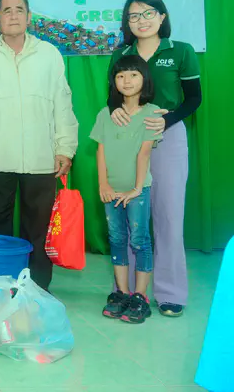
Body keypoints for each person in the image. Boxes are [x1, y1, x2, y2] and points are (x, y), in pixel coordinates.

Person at [0, 0, 78, 290]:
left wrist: (65, 148)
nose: (13, 15)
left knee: (38, 230)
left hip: (42, 159)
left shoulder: (49, 54)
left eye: (19, 9)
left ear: (29, 16)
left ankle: (36, 290)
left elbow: (62, 104)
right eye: (7, 10)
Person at [109, 0, 202, 318]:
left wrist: (166, 120)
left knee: (168, 216)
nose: (142, 20)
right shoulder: (122, 53)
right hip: (128, 143)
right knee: (133, 218)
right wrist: (115, 113)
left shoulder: (181, 51)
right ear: (127, 23)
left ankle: (171, 293)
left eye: (149, 13)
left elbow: (193, 99)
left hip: (167, 139)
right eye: (134, 16)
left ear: (162, 17)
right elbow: (113, 96)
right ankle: (136, 292)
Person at [92, 55, 161, 323]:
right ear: (114, 82)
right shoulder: (106, 113)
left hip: (137, 191)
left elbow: (144, 154)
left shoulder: (152, 112)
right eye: (121, 76)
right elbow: (101, 150)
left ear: (144, 79)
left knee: (140, 240)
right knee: (117, 239)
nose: (127, 80)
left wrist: (136, 188)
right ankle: (122, 293)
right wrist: (103, 184)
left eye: (133, 74)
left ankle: (140, 296)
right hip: (112, 191)